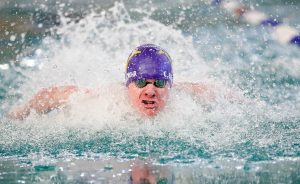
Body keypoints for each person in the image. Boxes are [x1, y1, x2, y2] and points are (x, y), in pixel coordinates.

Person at [8, 44, 242, 120]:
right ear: (128, 85)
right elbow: (50, 95)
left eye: (159, 83)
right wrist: (15, 115)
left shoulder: (186, 97)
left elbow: (221, 93)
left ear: (170, 86)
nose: (151, 91)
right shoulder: (103, 102)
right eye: (141, 83)